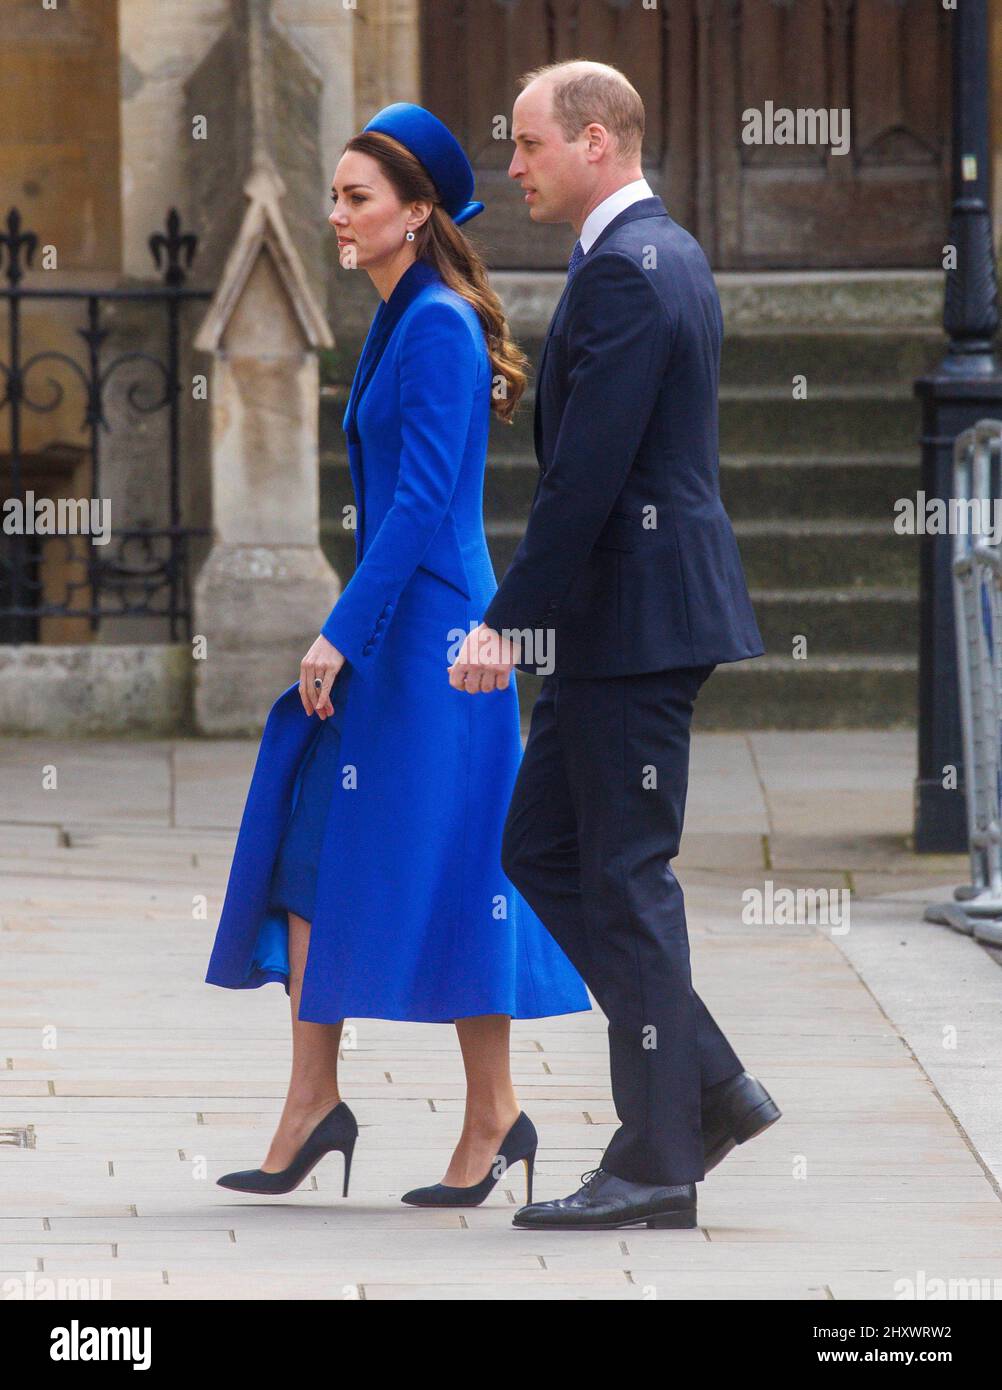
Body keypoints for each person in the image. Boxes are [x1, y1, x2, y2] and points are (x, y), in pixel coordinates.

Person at [205, 102, 590, 1209]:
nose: (335, 214)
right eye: (333, 195)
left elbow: (421, 505)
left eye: (356, 198)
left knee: (465, 866)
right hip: (402, 624)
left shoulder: (434, 326)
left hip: (436, 641)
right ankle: (313, 1101)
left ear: (417, 213)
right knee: (314, 842)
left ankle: (493, 1114)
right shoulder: (401, 312)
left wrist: (340, 629)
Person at [449, 62, 781, 1231]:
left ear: (597, 141)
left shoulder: (635, 272)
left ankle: (656, 1158)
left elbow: (586, 482)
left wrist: (502, 623)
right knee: (540, 847)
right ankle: (709, 1087)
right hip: (619, 620)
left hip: (637, 622)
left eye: (531, 144)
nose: (516, 164)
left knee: (627, 879)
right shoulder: (644, 257)